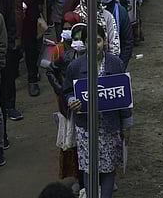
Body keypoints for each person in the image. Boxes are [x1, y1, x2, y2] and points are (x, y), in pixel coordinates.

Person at [64, 23, 132, 198]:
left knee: (109, 168)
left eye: (99, 40)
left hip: (109, 127)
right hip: (86, 128)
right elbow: (67, 91)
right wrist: (72, 100)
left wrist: (126, 125)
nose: (95, 45)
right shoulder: (75, 66)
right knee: (88, 167)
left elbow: (124, 98)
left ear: (105, 41)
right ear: (85, 44)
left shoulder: (116, 64)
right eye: (90, 41)